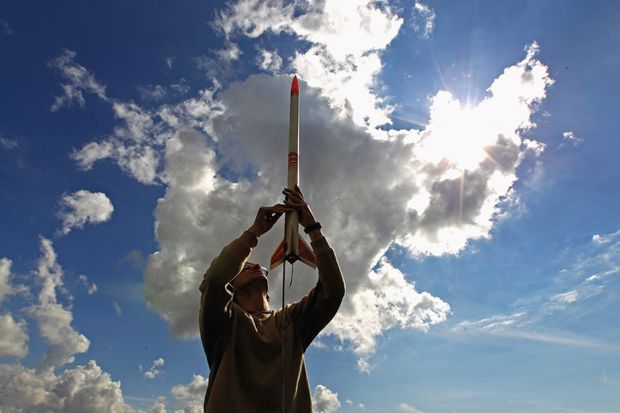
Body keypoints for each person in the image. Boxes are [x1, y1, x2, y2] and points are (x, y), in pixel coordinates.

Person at [199, 186, 345, 413]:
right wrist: (254, 233)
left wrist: (313, 228)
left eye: (258, 266)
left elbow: (333, 291)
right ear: (232, 287)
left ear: (268, 291)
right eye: (245, 267)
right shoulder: (224, 325)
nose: (256, 265)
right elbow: (214, 281)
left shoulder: (293, 322)